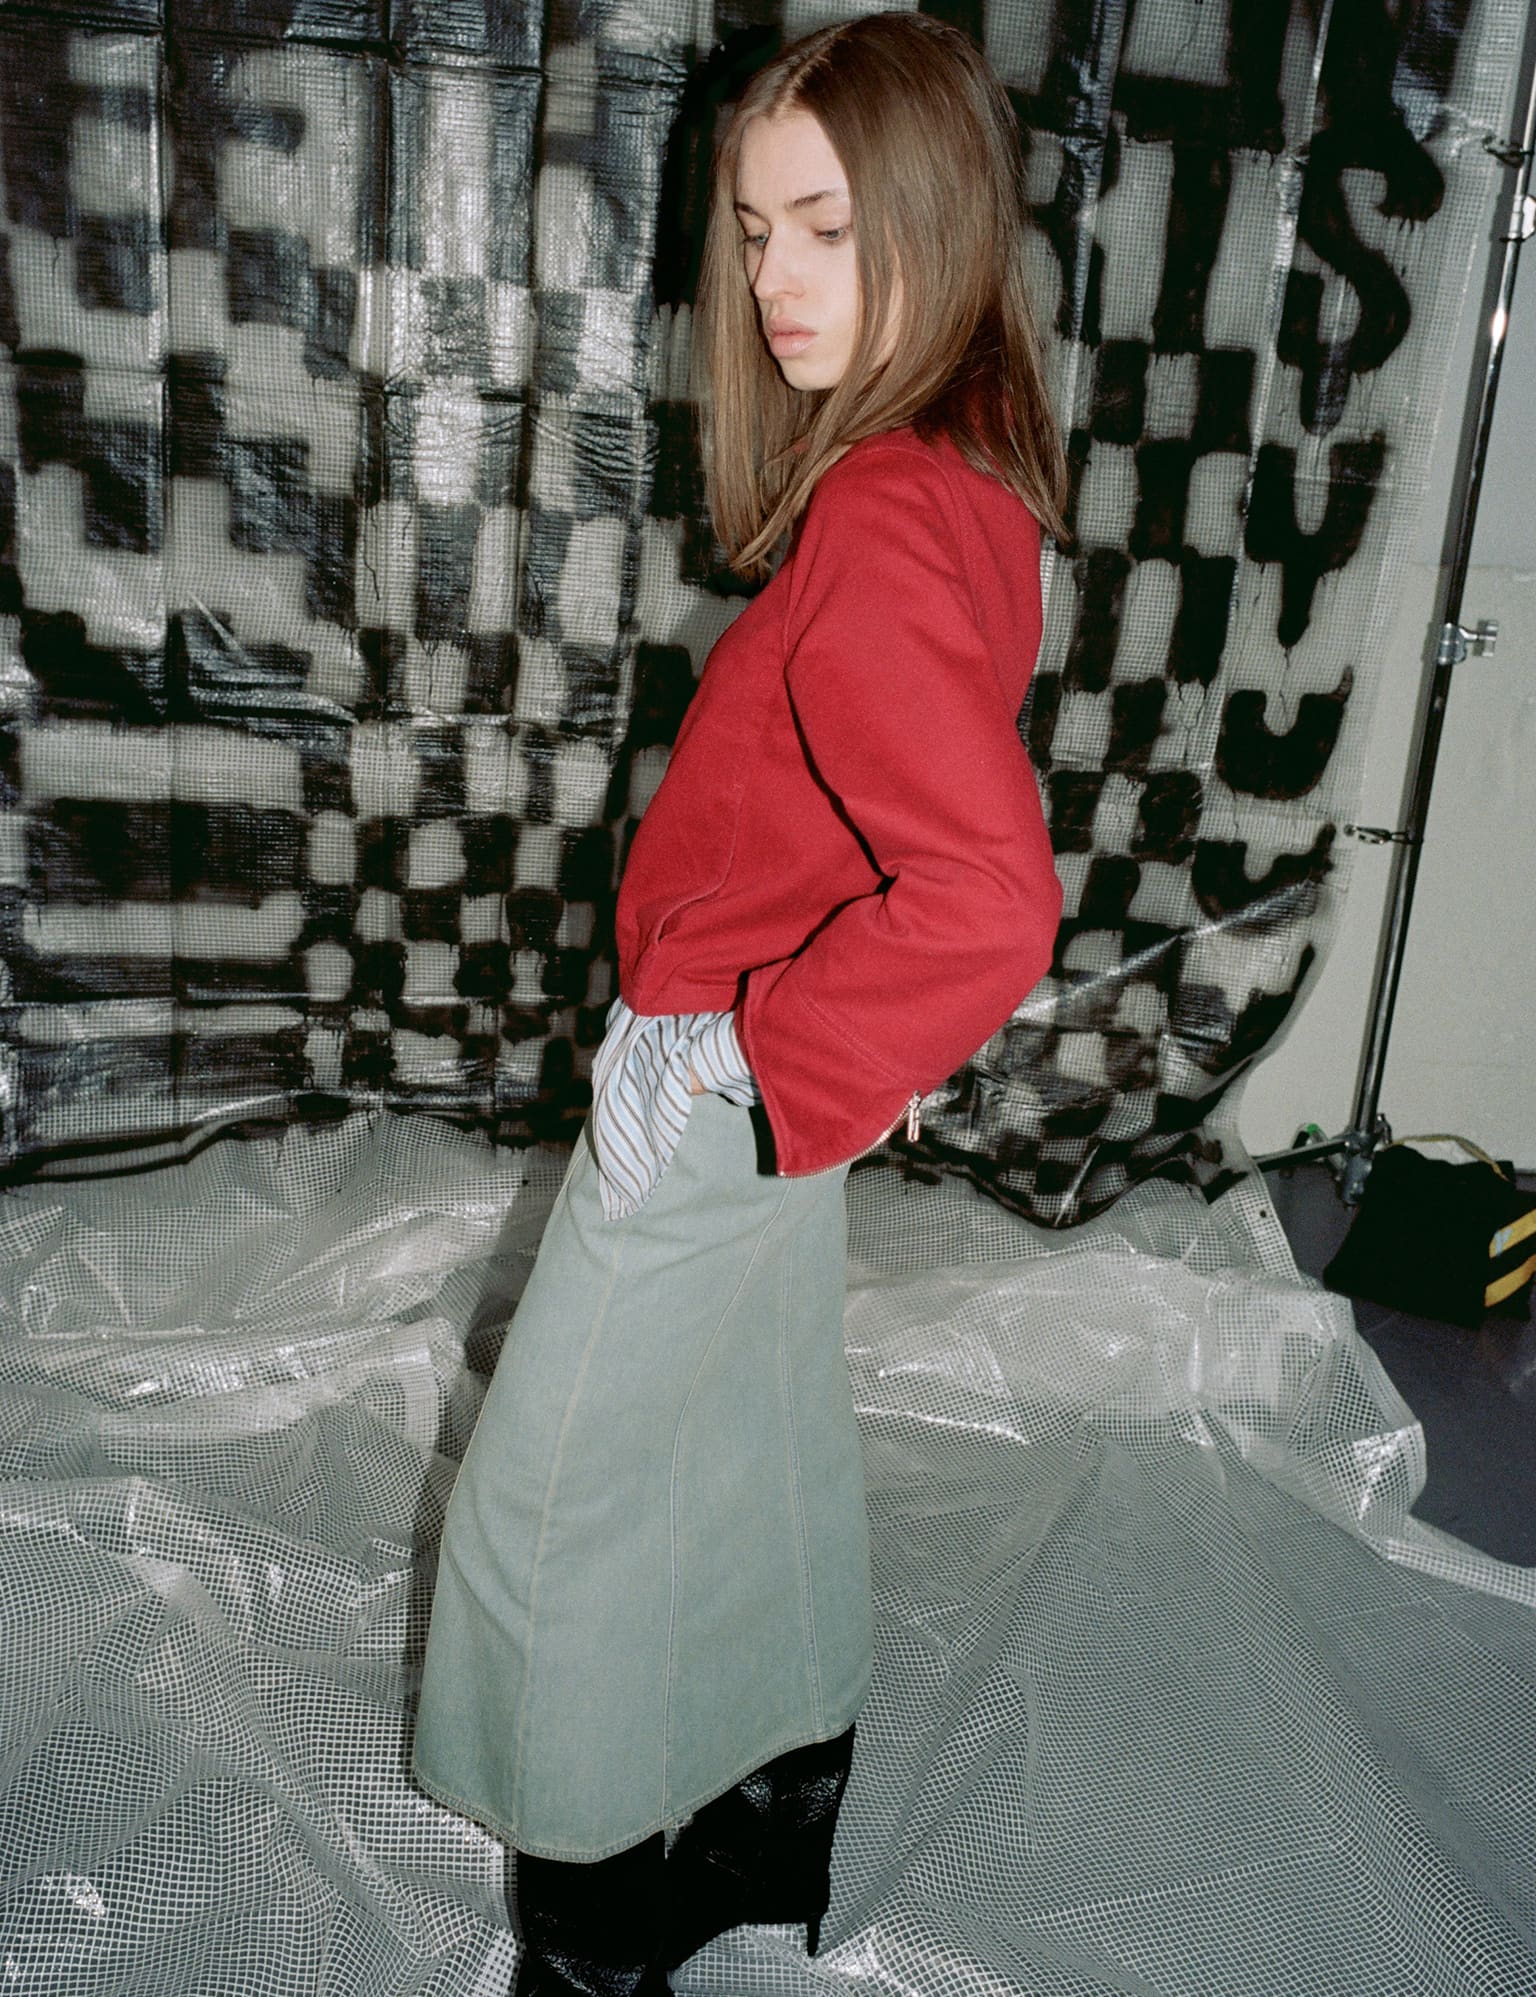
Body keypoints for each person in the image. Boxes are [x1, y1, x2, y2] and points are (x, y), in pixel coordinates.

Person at [411, 13, 1068, 1992]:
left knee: (549, 1507)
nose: (776, 280)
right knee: (753, 1443)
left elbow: (988, 899)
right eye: (756, 230)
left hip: (732, 1075)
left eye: (828, 230)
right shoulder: (965, 477)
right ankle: (774, 1803)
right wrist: (830, 1056)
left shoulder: (877, 514)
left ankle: (596, 1925)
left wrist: (759, 1049)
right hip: (785, 1071)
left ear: (936, 224)